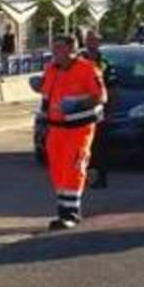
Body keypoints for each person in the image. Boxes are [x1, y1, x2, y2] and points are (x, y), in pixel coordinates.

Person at [39, 35, 106, 230]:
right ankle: (64, 210)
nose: (55, 52)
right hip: (56, 128)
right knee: (57, 169)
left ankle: (70, 214)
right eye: (54, 48)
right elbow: (46, 96)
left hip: (79, 128)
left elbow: (100, 97)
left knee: (73, 167)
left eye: (59, 48)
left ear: (72, 49)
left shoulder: (88, 68)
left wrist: (77, 104)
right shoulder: (51, 69)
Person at [82, 30, 114, 189]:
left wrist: (109, 111)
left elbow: (112, 88)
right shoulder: (78, 61)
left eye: (94, 40)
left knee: (99, 145)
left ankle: (100, 177)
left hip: (99, 109)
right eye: (89, 40)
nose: (91, 43)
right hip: (81, 109)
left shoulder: (105, 62)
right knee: (82, 145)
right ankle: (82, 177)